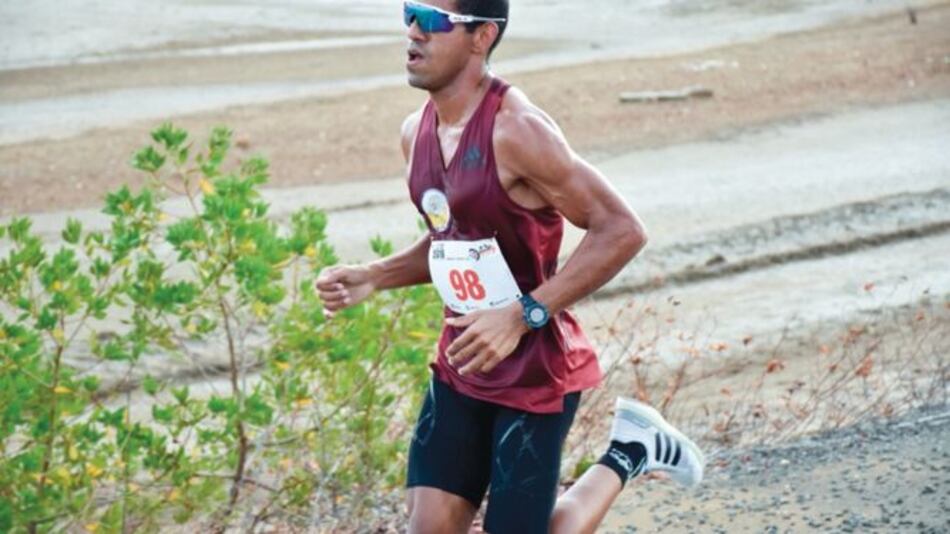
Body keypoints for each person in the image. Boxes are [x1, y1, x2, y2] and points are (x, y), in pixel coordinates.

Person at [315, 1, 705, 532]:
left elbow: (621, 228)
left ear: (482, 37)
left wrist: (522, 315)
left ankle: (630, 451)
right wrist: (375, 275)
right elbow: (453, 241)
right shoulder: (416, 131)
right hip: (463, 361)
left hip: (534, 369)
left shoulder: (519, 131)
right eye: (409, 13)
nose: (412, 31)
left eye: (431, 20)